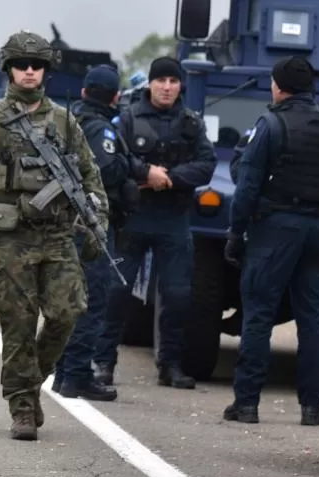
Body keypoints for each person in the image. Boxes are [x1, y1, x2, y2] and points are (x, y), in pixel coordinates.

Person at [0, 30, 111, 440]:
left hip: (58, 237)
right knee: (18, 324)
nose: (29, 71)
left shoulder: (64, 121)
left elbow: (90, 175)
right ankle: (22, 405)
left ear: (45, 71)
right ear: (9, 69)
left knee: (66, 313)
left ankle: (29, 381)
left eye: (36, 65)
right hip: (13, 239)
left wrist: (98, 220)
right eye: (22, 64)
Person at [223, 55, 319, 425]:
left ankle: (247, 403)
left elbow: (248, 186)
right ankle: (312, 408)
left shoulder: (270, 125)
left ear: (279, 87)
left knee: (259, 314)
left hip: (275, 229)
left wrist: (236, 232)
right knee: (313, 319)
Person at [92, 56, 217, 389]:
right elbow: (115, 158)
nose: (166, 87)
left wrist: (170, 178)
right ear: (150, 84)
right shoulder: (129, 119)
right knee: (117, 292)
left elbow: (206, 164)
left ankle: (170, 364)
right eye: (160, 80)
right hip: (134, 216)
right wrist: (146, 173)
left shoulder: (191, 122)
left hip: (173, 218)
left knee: (177, 295)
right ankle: (104, 361)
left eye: (172, 81)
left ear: (180, 86)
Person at [55, 63, 145, 401]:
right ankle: (76, 375)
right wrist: (130, 169)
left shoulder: (68, 120)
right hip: (90, 225)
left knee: (69, 301)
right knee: (91, 301)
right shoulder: (100, 129)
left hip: (69, 223)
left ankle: (65, 371)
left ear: (83, 92)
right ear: (115, 96)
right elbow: (104, 171)